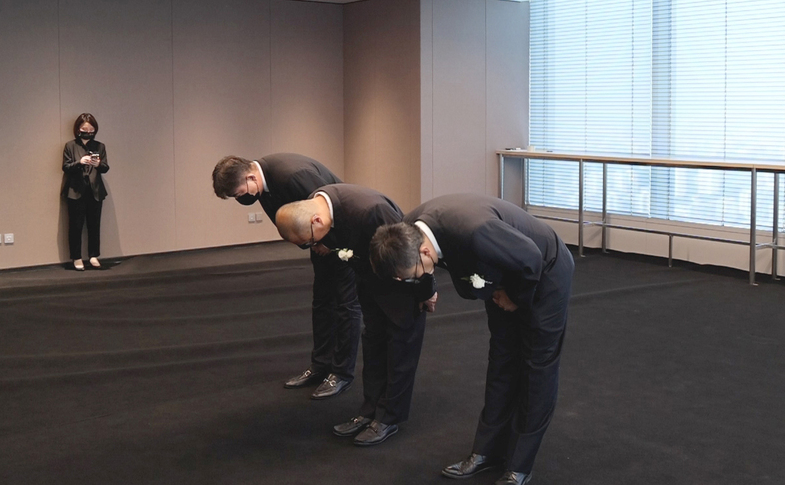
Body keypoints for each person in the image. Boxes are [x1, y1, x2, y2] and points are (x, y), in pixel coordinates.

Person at [370, 194, 574, 485]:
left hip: (543, 270)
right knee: (501, 358)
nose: (411, 281)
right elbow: (423, 269)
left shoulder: (476, 232)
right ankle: (486, 451)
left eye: (412, 276)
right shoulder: (406, 231)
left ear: (425, 251)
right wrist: (425, 291)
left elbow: (530, 259)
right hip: (498, 269)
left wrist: (515, 298)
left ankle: (519, 465)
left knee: (536, 366)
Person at [275, 184, 431, 447]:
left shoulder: (372, 211)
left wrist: (427, 289)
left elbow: (414, 250)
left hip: (400, 286)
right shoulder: (316, 202)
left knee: (400, 351)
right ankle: (369, 411)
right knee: (373, 347)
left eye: (310, 242)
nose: (314, 247)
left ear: (316, 221)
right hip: (368, 281)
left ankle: (389, 417)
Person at [211, 154, 358, 399]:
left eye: (239, 194)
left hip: (342, 238)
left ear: (250, 177)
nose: (241, 199)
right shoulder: (262, 185)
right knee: (322, 302)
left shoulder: (294, 176)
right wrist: (313, 244)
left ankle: (341, 373)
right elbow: (286, 222)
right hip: (318, 242)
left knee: (345, 305)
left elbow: (332, 209)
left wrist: (330, 244)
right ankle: (321, 366)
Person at [61, 113, 109, 271]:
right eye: (84, 130)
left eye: (91, 130)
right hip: (75, 191)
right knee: (75, 226)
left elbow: (105, 168)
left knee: (94, 225)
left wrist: (98, 164)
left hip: (95, 191)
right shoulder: (70, 146)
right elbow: (66, 167)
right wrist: (80, 162)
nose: (88, 132)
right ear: (78, 129)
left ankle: (94, 256)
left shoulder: (100, 146)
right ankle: (77, 257)